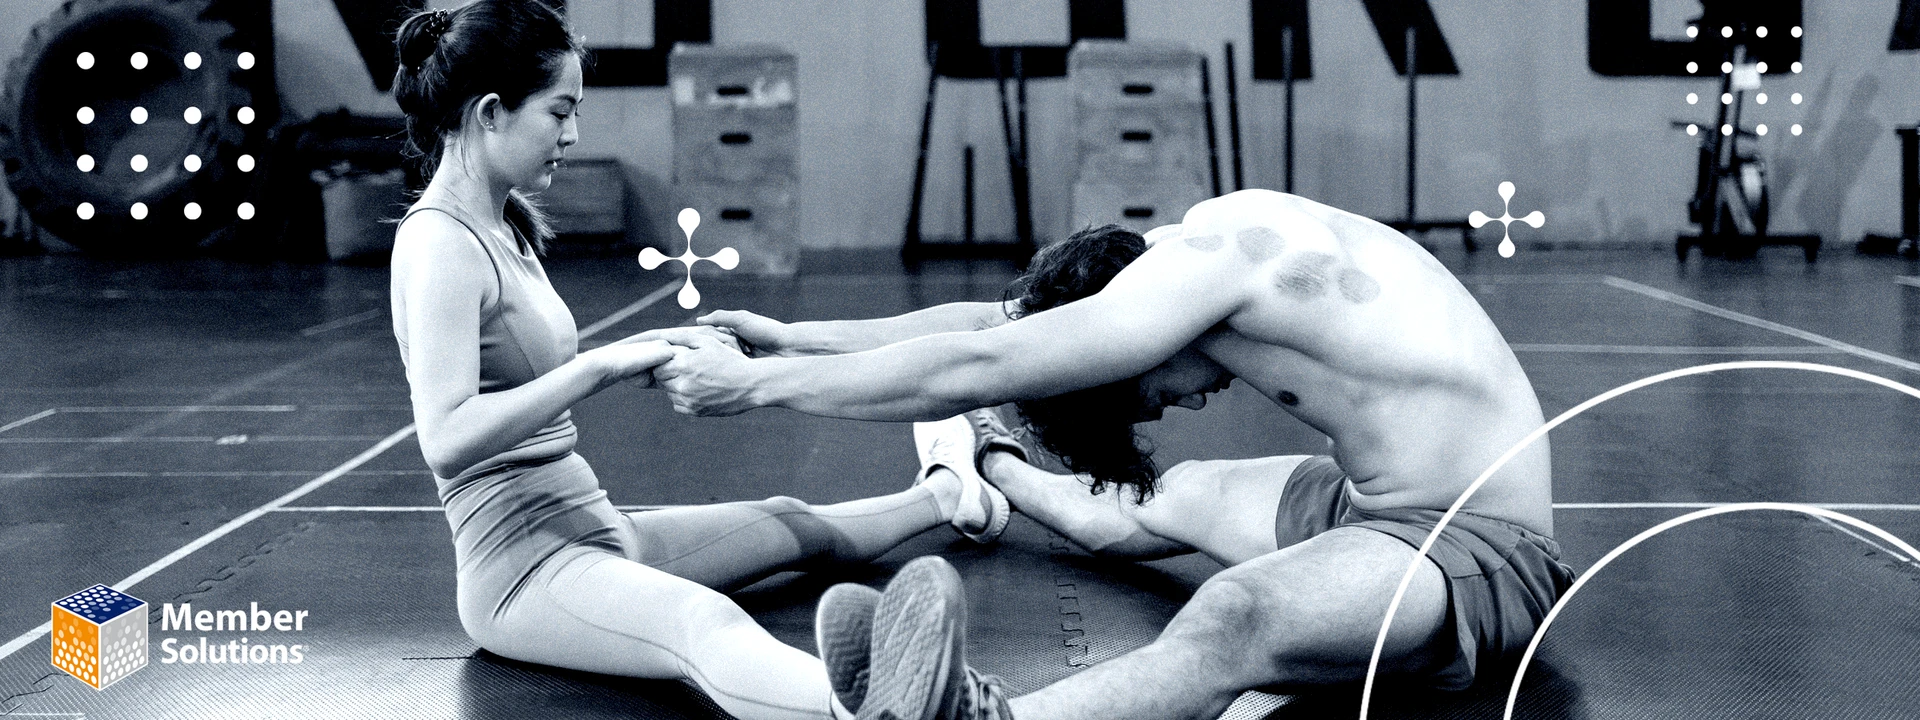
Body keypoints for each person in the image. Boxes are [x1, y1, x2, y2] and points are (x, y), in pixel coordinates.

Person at [659, 189, 1576, 719]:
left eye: (1144, 387)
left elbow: (980, 363)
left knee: (1234, 618)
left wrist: (753, 392)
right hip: (1364, 504)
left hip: (1479, 545)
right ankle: (1000, 472)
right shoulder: (1176, 252)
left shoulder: (1214, 268)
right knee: (1152, 506)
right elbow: (997, 325)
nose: (1183, 398)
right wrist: (794, 341)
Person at [384, 3, 1007, 718]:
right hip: (524, 568)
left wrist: (658, 350)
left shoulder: (502, 222)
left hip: (589, 525)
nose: (573, 133)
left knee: (788, 521)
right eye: (560, 112)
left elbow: (525, 374)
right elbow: (446, 437)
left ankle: (952, 492)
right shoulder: (438, 244)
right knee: (700, 626)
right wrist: (603, 366)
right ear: (491, 111)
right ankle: (881, 713)